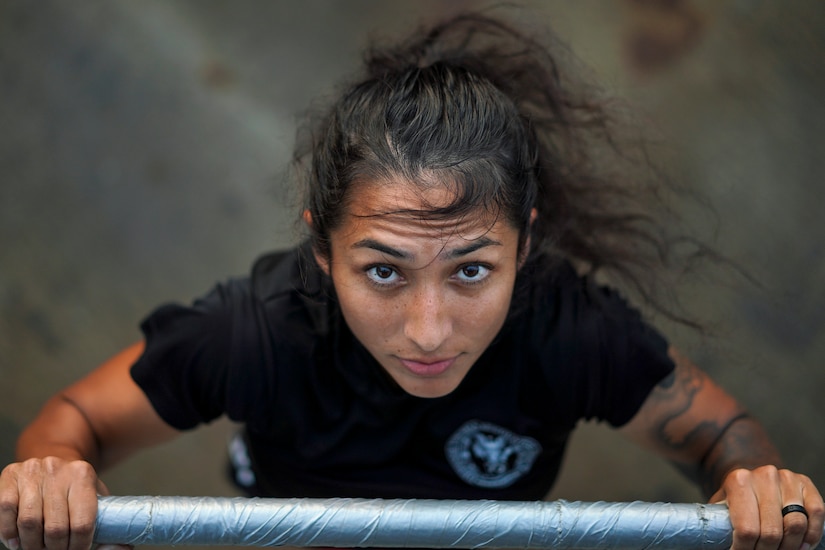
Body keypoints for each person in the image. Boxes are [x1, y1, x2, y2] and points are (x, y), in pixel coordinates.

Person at [1, 11, 822, 550]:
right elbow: (72, 422)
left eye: (470, 269)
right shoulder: (257, 331)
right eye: (383, 271)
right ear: (321, 252)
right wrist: (55, 473)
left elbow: (722, 437)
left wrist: (751, 486)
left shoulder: (567, 330)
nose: (429, 330)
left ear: (523, 246)